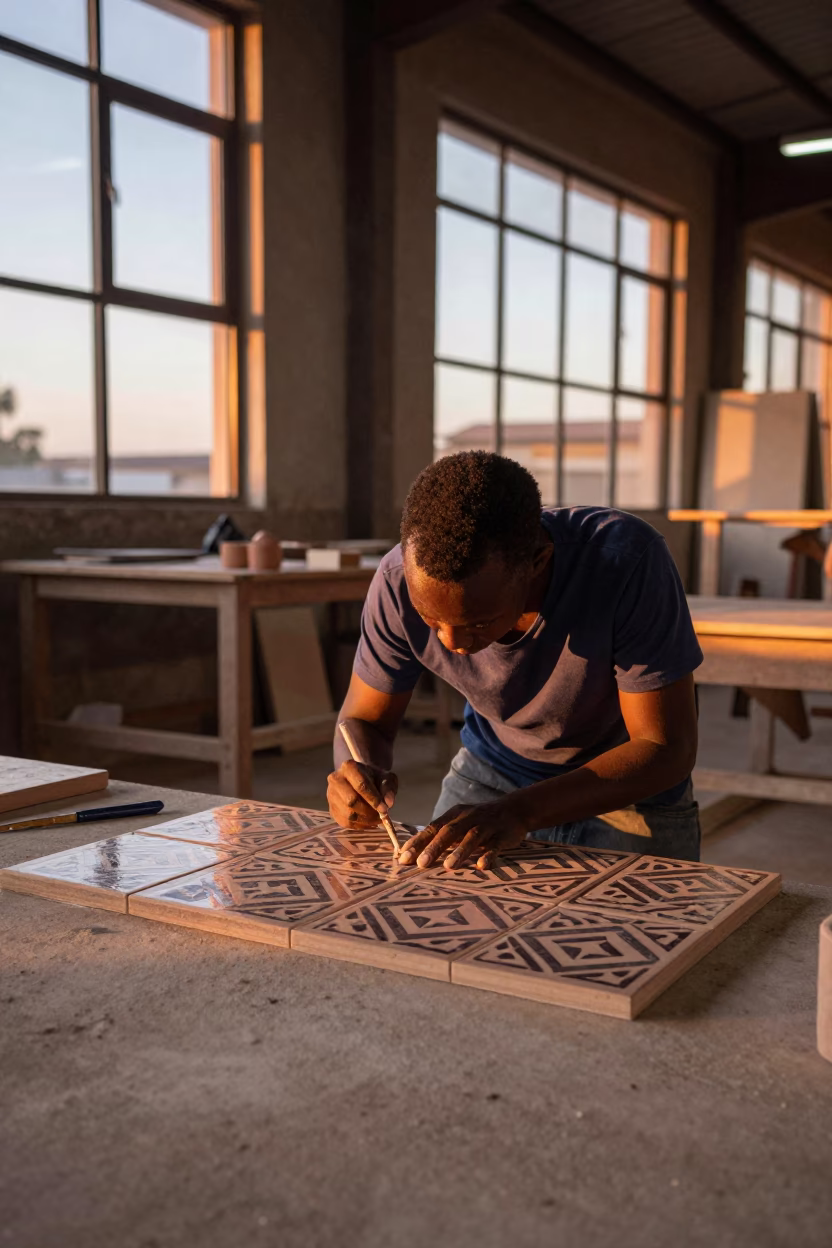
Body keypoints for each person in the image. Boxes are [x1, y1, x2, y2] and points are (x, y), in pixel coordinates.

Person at [327, 451, 703, 870]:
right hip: (493, 772)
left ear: (537, 563)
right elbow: (362, 721)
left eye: (480, 621)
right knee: (439, 921)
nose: (452, 641)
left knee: (646, 933)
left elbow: (665, 748)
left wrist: (520, 811)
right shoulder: (397, 583)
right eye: (429, 618)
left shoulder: (624, 562)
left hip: (628, 788)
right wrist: (356, 775)